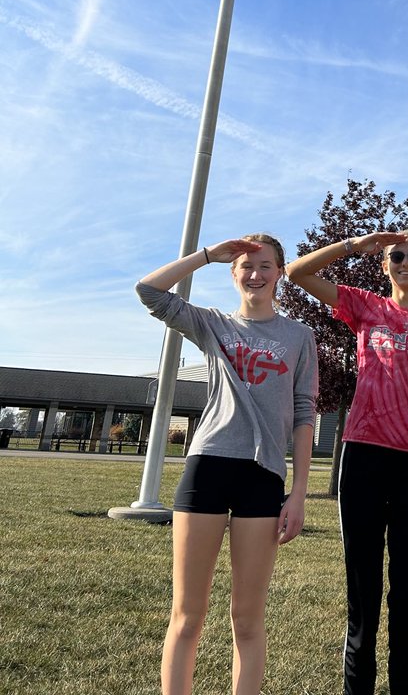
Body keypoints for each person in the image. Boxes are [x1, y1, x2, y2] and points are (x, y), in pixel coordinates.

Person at [136, 235, 318, 695]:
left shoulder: (300, 337)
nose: (255, 274)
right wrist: (207, 255)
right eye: (245, 266)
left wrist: (298, 492)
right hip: (209, 467)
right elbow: (149, 291)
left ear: (280, 272)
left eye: (266, 265)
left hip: (264, 476)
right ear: (233, 274)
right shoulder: (213, 324)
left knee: (248, 618)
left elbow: (304, 413)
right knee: (187, 614)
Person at [285, 229, 408, 695]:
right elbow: (296, 272)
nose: (406, 262)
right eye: (397, 256)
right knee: (362, 597)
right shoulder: (366, 306)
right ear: (385, 265)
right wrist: (355, 245)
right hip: (363, 460)